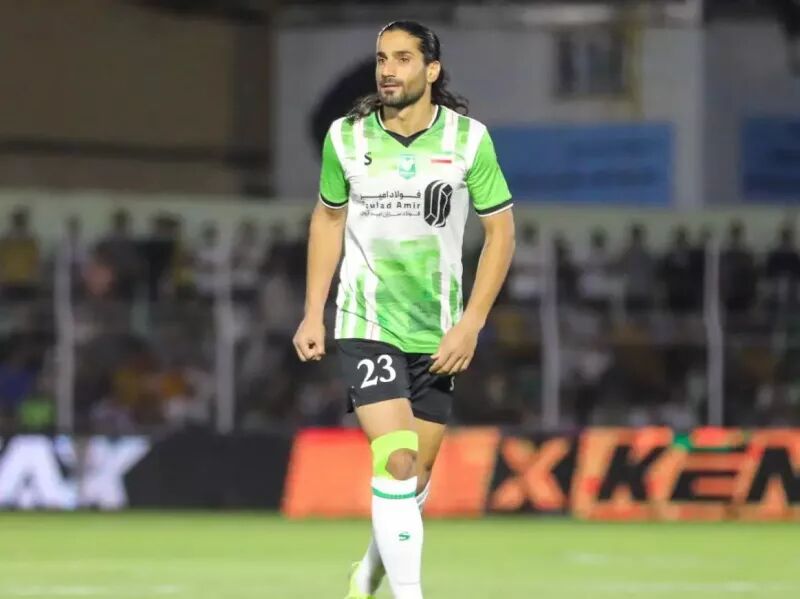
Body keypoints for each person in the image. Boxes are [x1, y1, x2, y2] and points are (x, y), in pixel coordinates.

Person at [292, 20, 515, 599]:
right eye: (381, 59)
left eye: (402, 58)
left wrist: (471, 323)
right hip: (366, 320)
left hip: (438, 331)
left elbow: (501, 233)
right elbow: (328, 219)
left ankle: (367, 573)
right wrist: (314, 310)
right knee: (395, 460)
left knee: (414, 480)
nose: (387, 70)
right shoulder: (347, 137)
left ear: (431, 70)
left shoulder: (469, 140)